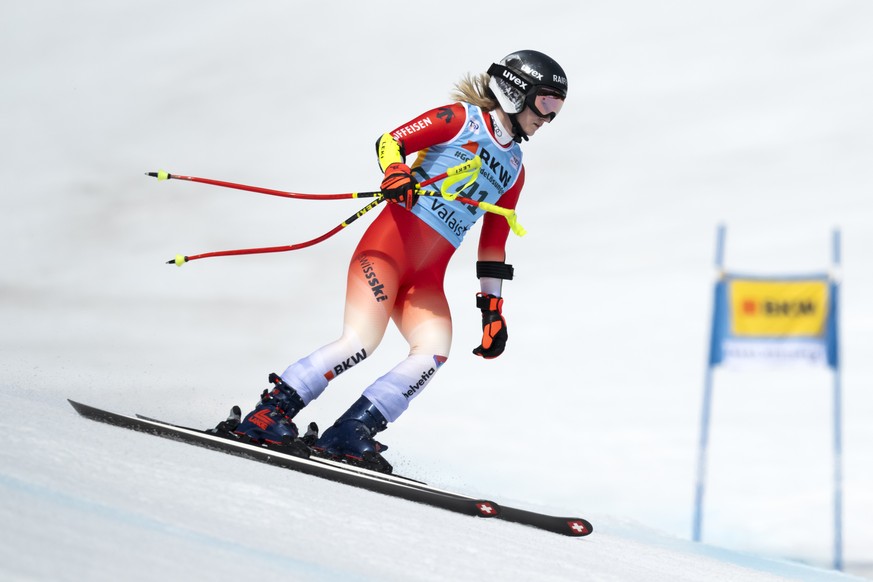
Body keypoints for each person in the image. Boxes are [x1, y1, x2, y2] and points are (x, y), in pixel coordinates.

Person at [231, 50, 568, 473]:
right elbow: (391, 141)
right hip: (386, 253)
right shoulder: (460, 119)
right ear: (516, 92)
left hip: (425, 279)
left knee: (433, 351)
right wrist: (395, 171)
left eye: (558, 107)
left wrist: (492, 310)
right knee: (360, 342)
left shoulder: (515, 168)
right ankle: (270, 413)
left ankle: (352, 430)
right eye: (546, 102)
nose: (549, 117)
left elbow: (493, 245)